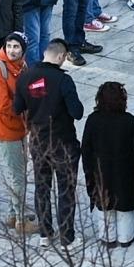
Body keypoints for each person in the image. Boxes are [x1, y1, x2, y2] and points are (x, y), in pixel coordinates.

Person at [16, 40, 86, 243]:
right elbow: (77, 112)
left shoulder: (25, 77)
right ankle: (67, 237)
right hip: (62, 142)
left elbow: (16, 108)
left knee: (42, 187)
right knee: (65, 189)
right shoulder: (63, 81)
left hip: (38, 141)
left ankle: (45, 233)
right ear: (61, 57)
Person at [0, 34, 35, 229]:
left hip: (21, 128)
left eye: (16, 47)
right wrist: (27, 108)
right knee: (17, 176)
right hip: (5, 130)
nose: (12, 50)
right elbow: (2, 104)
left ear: (23, 50)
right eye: (9, 46)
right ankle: (21, 220)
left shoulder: (23, 66)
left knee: (17, 173)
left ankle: (13, 215)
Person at [82, 79, 134, 244]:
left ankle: (108, 237)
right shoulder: (128, 120)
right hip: (124, 169)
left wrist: (88, 170)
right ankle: (125, 237)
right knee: (124, 205)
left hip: (100, 169)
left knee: (104, 205)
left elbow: (86, 147)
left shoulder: (93, 120)